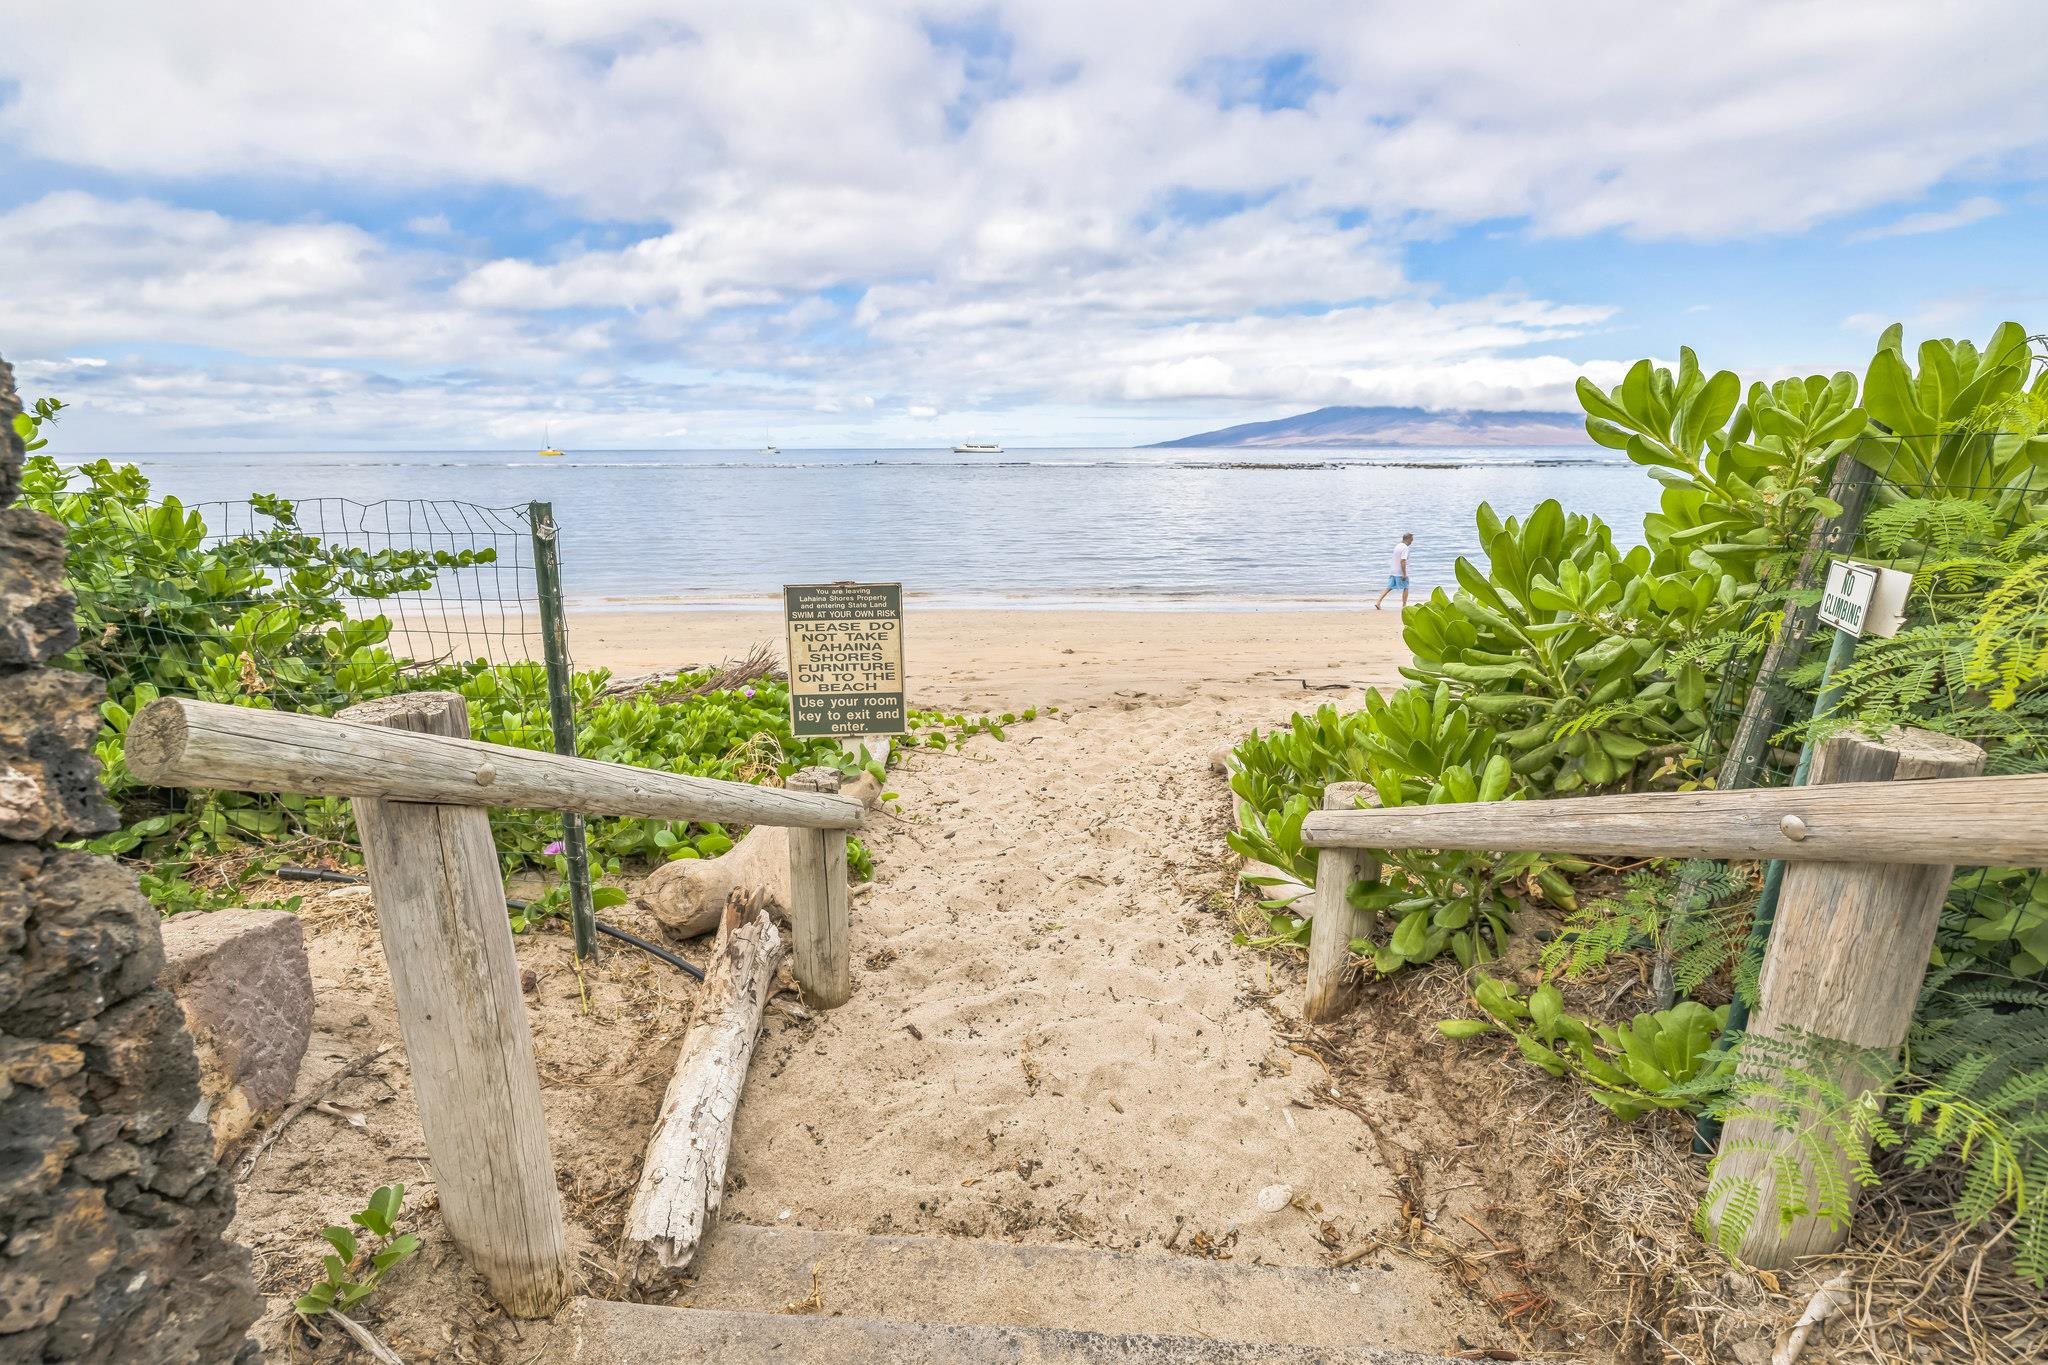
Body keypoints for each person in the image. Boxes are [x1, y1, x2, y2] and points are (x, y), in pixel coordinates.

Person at [1374, 532, 1414, 611]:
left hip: (1393, 570)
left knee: (1389, 587)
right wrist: (1404, 574)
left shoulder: (1397, 546)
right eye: (1411, 540)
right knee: (1406, 587)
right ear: (1408, 539)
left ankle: (1378, 602)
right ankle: (1404, 605)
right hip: (1400, 572)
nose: (1411, 542)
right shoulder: (1405, 548)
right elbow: (1403, 561)